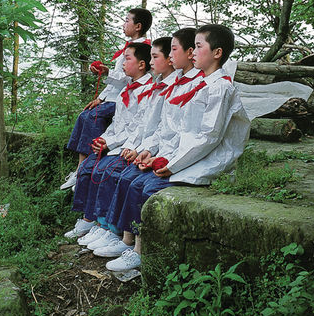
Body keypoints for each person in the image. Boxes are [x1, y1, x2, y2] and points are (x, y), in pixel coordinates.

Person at [105, 24, 249, 273]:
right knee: (136, 179)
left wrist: (171, 164)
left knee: (148, 186)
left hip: (209, 160)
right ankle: (131, 243)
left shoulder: (220, 88)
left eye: (199, 46)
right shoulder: (199, 85)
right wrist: (155, 154)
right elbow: (179, 131)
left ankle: (141, 250)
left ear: (217, 53)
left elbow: (209, 138)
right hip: (185, 156)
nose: (193, 52)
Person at [64, 41, 152, 246]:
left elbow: (139, 128)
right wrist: (105, 140)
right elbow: (117, 126)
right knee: (88, 166)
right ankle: (92, 218)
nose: (122, 63)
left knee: (108, 171)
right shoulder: (126, 91)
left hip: (132, 146)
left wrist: (118, 145)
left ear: (141, 64)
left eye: (127, 58)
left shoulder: (148, 92)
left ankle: (109, 227)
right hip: (120, 143)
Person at [60, 7, 152, 189]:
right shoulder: (129, 48)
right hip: (114, 95)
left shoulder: (142, 49)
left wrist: (108, 72)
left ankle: (83, 169)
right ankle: (81, 167)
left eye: (127, 20)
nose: (123, 24)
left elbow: (127, 78)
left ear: (138, 26)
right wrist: (101, 98)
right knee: (86, 114)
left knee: (91, 118)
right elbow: (117, 79)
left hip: (125, 97)